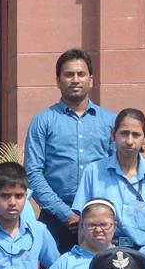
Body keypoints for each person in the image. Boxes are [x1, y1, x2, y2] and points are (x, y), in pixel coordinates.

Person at [24, 48, 116, 252]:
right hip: (56, 218)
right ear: (58, 81)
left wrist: (98, 213)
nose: (75, 79)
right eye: (68, 74)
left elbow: (116, 171)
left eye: (81, 74)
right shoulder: (43, 121)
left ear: (91, 80)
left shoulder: (110, 121)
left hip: (100, 217)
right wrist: (65, 214)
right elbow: (33, 173)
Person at [72, 108, 145, 250]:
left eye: (136, 135)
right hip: (103, 253)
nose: (129, 141)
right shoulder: (93, 172)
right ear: (113, 135)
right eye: (124, 133)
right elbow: (83, 223)